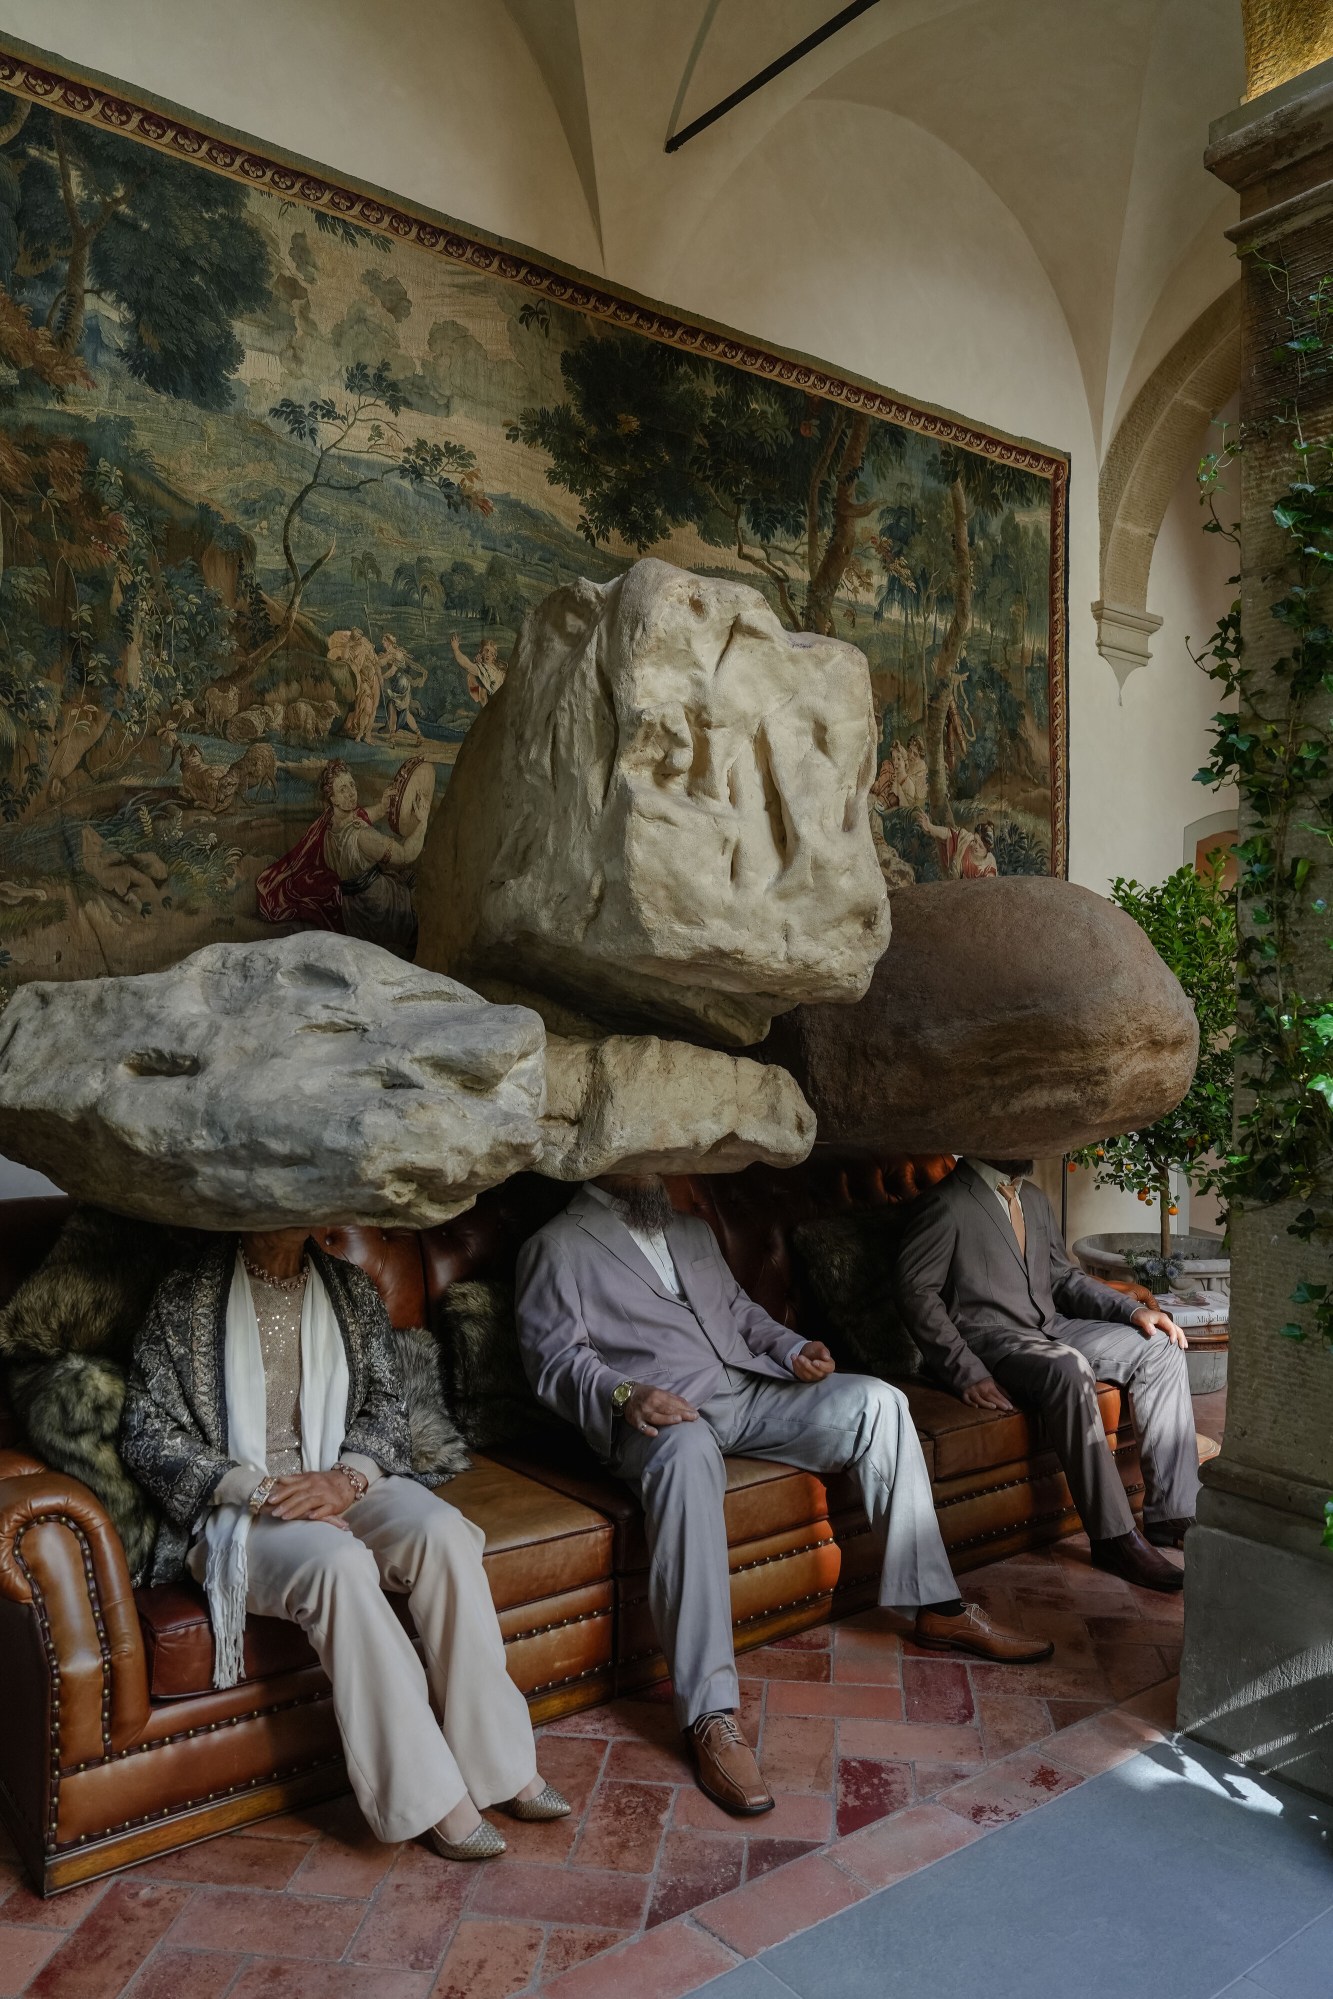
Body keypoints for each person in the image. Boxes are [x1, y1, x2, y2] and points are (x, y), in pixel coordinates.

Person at [515, 1175, 1052, 1818]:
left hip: (750, 1391)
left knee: (879, 1400)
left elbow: (740, 1313)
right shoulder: (554, 1245)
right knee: (688, 1458)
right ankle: (709, 1715)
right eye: (650, 1154)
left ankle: (937, 1605)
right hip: (661, 1417)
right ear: (606, 1159)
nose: (664, 1168)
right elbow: (553, 1358)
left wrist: (793, 1348)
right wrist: (627, 1395)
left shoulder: (688, 1228)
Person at [121, 1228, 568, 1861]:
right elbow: (147, 1433)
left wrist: (345, 1479)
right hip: (239, 1507)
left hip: (337, 1477)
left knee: (441, 1533)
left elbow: (386, 1406)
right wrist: (258, 1489)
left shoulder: (349, 1288)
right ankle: (429, 1797)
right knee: (339, 1565)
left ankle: (500, 1762)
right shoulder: (186, 1297)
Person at [894, 1158, 1198, 1593]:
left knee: (1161, 1346)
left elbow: (1063, 1278)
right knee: (1069, 1368)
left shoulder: (1033, 1199)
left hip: (1054, 1329)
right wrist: (965, 1372)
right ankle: (1114, 1538)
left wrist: (1133, 1311)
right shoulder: (945, 1204)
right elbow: (916, 1293)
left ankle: (1170, 1514)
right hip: (994, 1342)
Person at [255, 759, 425, 958]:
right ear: (333, 798)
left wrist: (382, 807)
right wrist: (423, 820)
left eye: (352, 785)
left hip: (351, 908)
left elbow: (361, 815)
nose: (352, 792)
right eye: (343, 789)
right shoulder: (362, 836)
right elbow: (406, 855)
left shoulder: (328, 823)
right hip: (376, 905)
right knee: (414, 893)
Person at [915, 809, 998, 880]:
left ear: (988, 849)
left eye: (981, 846)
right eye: (975, 841)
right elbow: (949, 834)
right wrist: (930, 827)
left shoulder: (989, 867)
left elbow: (987, 890)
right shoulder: (966, 840)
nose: (976, 846)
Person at [380, 634, 426, 740]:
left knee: (392, 705)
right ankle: (419, 734)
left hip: (400, 683)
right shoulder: (388, 654)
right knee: (405, 710)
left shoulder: (397, 654)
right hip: (400, 683)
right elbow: (381, 662)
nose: (382, 643)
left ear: (390, 642)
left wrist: (381, 677)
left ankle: (392, 734)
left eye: (384, 640)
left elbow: (392, 672)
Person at [450, 632, 506, 706]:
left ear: (494, 656)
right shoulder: (483, 669)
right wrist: (456, 649)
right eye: (486, 650)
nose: (488, 654)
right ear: (481, 652)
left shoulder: (502, 666)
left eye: (491, 652)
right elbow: (467, 665)